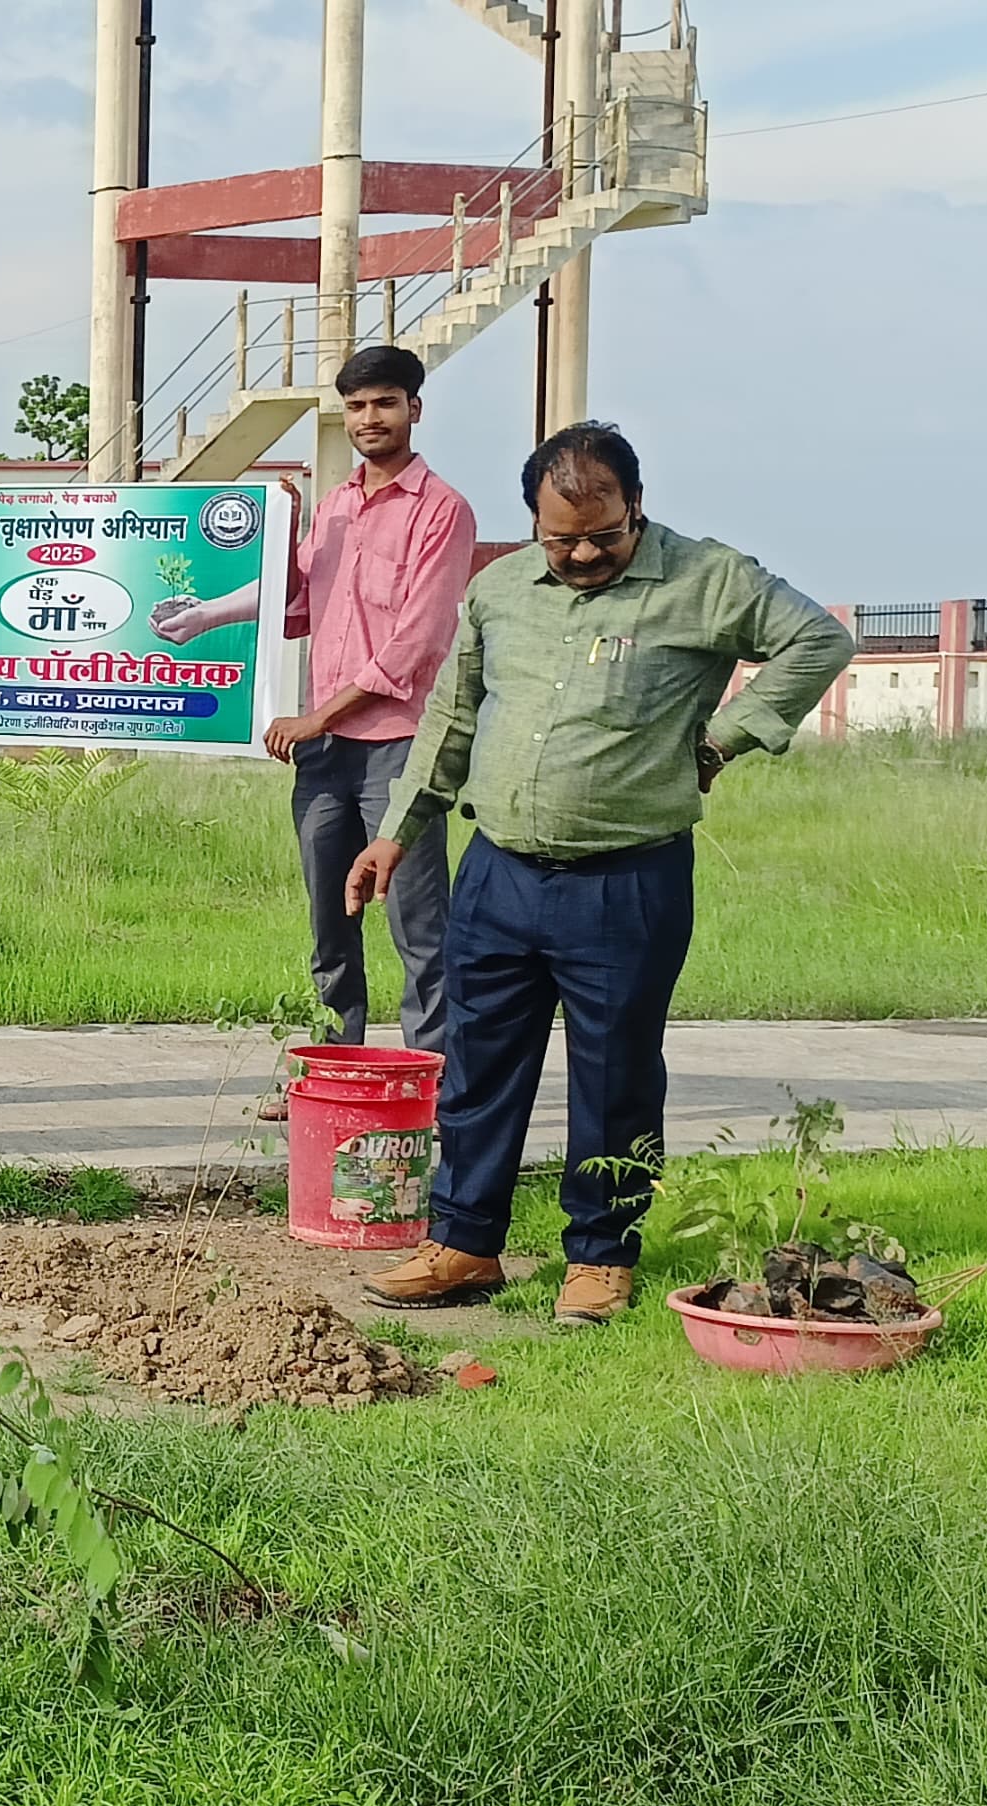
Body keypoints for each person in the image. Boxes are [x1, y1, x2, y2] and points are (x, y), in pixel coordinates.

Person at [345, 423, 855, 1326]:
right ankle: (464, 1243)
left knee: (615, 1073)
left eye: (603, 535)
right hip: (497, 871)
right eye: (561, 537)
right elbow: (451, 718)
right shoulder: (499, 590)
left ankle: (601, 1256)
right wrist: (396, 830)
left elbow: (816, 640)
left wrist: (725, 738)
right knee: (476, 1064)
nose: (582, 553)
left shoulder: (707, 579)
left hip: (627, 881)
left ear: (636, 508)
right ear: (533, 521)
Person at [155, 344, 474, 1109]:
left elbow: (417, 645)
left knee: (418, 924)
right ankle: (333, 1074)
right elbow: (295, 596)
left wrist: (311, 716)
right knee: (330, 921)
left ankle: (435, 1092)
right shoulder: (333, 507)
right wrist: (201, 617)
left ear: (414, 410)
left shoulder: (442, 511)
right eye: (358, 406)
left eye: (385, 403)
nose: (371, 419)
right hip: (325, 756)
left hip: (398, 745)